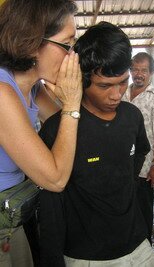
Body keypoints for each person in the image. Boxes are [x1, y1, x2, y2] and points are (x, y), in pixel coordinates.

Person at [39, 21, 154, 267]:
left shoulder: (132, 117)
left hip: (137, 246)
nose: (117, 94)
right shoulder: (57, 130)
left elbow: (135, 161)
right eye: (105, 85)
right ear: (82, 81)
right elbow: (51, 210)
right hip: (85, 256)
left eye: (122, 82)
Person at [0, 0, 82, 266]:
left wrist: (70, 105)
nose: (72, 56)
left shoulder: (33, 87)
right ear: (33, 42)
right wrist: (71, 105)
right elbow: (55, 178)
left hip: (14, 211)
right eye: (67, 45)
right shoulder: (2, 93)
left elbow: (64, 126)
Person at [123, 52, 154, 244]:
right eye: (135, 69)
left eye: (143, 70)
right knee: (123, 209)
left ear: (151, 73)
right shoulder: (121, 93)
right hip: (121, 165)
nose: (138, 74)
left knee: (143, 211)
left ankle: (145, 248)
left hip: (143, 168)